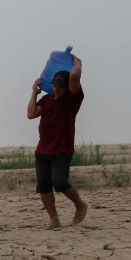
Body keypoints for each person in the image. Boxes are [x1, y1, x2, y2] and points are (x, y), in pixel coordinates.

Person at [27, 54, 87, 229]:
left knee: (60, 182)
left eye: (60, 86)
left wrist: (78, 63)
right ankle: (54, 219)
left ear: (67, 87)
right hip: (43, 151)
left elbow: (75, 76)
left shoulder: (73, 99)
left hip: (62, 150)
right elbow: (31, 114)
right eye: (54, 85)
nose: (56, 89)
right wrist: (34, 93)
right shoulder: (46, 100)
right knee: (44, 187)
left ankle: (80, 205)